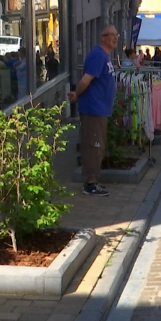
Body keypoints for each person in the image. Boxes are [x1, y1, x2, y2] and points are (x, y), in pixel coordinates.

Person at [67, 25, 119, 196]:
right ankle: (90, 183)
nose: (114, 37)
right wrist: (77, 94)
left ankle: (93, 181)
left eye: (115, 34)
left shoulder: (104, 56)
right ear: (102, 37)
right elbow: (85, 80)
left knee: (98, 144)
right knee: (94, 145)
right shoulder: (98, 55)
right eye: (110, 34)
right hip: (93, 108)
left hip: (101, 109)